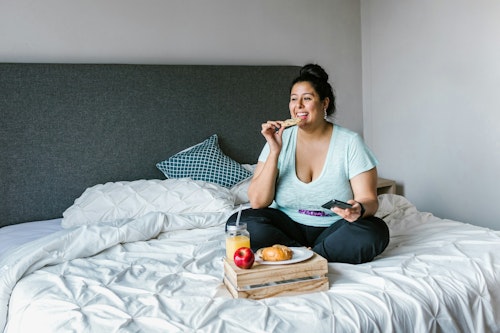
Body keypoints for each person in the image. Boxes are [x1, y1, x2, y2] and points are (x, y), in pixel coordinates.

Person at [227, 64, 389, 264]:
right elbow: (258, 202)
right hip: (288, 225)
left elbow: (369, 200)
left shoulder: (349, 142)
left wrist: (359, 209)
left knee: (374, 231)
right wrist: (274, 152)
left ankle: (302, 255)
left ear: (324, 103)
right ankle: (310, 254)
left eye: (307, 98)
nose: (299, 106)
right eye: (294, 99)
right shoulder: (279, 139)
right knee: (241, 223)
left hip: (334, 228)